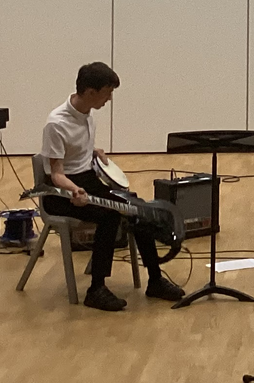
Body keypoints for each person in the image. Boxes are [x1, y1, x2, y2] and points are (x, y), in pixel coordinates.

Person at [41, 62, 185, 311]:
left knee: (136, 207)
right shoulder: (56, 123)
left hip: (87, 180)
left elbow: (74, 152)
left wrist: (92, 151)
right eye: (107, 93)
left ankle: (155, 280)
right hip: (60, 192)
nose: (109, 99)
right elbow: (56, 173)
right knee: (109, 216)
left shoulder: (87, 114)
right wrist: (74, 190)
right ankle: (96, 289)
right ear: (90, 92)